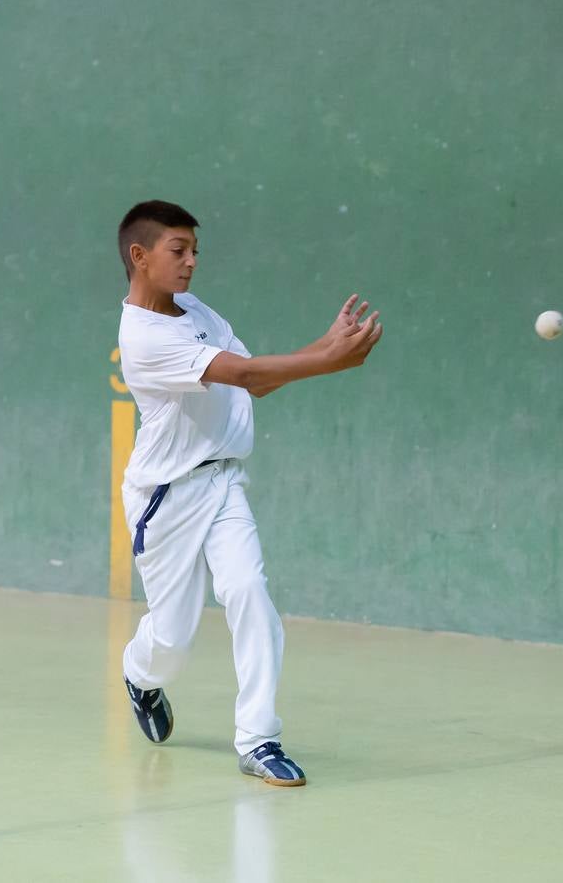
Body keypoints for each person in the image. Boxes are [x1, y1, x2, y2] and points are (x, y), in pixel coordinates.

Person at [116, 199, 382, 785]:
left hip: (223, 482)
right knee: (173, 638)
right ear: (140, 256)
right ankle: (140, 673)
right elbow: (249, 375)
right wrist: (330, 362)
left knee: (249, 592)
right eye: (177, 251)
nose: (190, 263)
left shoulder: (194, 312)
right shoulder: (143, 338)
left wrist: (321, 347)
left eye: (195, 252)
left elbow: (254, 380)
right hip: (167, 499)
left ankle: (259, 739)